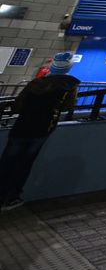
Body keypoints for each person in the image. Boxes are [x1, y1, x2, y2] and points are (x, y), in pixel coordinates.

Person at [0, 52, 80, 210]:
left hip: (22, 126)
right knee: (25, 163)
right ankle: (11, 197)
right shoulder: (69, 87)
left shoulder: (35, 84)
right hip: (43, 128)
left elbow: (18, 105)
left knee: (7, 161)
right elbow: (68, 106)